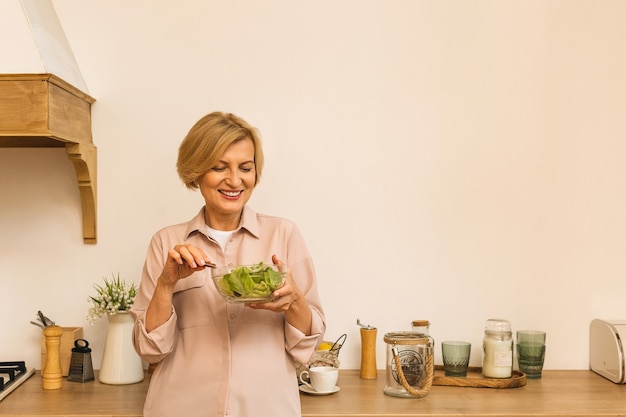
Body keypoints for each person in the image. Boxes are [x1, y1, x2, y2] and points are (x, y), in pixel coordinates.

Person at [130, 111, 326, 417]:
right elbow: (149, 349)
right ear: (196, 172)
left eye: (245, 168)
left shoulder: (284, 234)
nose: (234, 180)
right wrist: (166, 283)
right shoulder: (166, 242)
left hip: (268, 408)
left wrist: (294, 301)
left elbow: (308, 347)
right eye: (219, 167)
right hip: (182, 407)